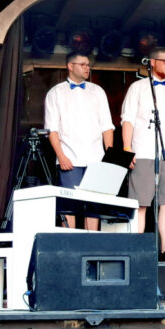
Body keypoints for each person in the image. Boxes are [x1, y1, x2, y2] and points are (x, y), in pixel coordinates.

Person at [121, 46, 165, 261]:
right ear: (151, 62)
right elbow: (128, 119)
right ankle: (136, 248)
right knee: (141, 203)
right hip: (142, 151)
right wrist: (126, 149)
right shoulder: (138, 87)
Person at [44, 51, 114, 230]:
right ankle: (71, 244)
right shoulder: (56, 93)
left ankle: (92, 245)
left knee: (94, 205)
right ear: (70, 66)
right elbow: (52, 130)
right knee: (70, 205)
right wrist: (61, 156)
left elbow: (107, 126)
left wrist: (110, 157)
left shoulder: (97, 91)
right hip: (70, 158)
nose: (87, 68)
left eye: (88, 65)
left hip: (96, 158)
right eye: (82, 64)